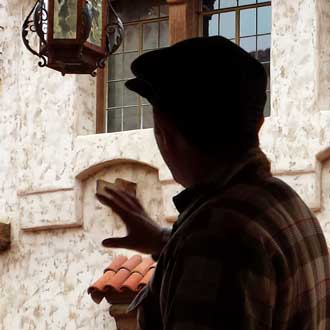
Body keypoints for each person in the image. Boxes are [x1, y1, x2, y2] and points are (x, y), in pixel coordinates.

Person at [96, 36, 330, 330]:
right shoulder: (288, 203)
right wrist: (162, 241)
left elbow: (224, 254)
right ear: (258, 124)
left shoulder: (217, 237)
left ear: (164, 132)